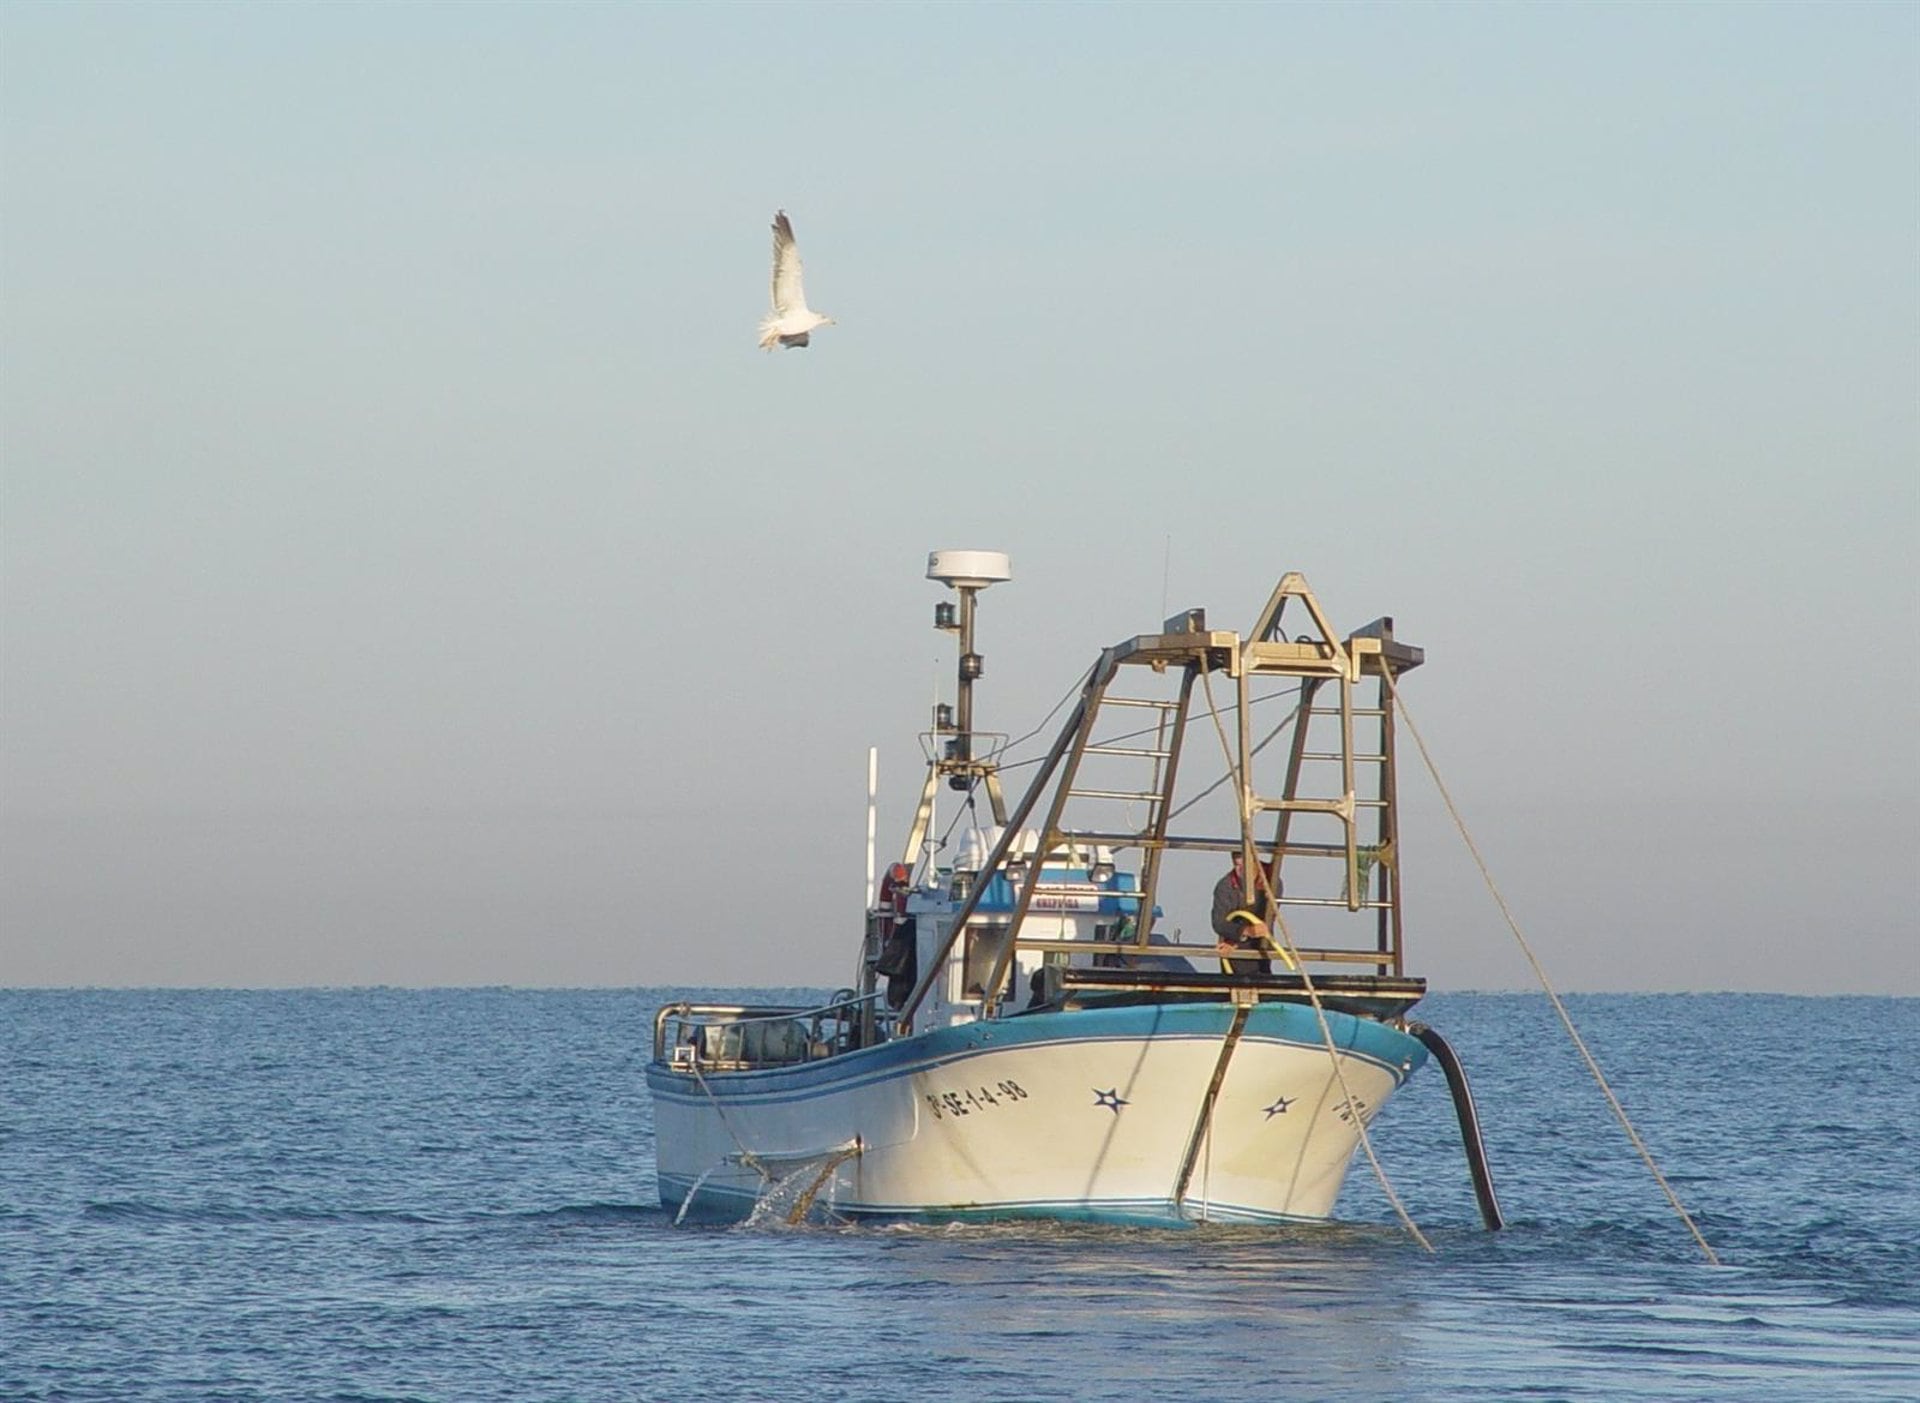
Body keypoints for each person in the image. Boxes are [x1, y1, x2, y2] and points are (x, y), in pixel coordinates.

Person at [1212, 849, 1274, 975]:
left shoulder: (1272, 880)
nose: (1239, 870)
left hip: (1262, 945)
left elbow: (1266, 915)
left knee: (1264, 980)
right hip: (1233, 947)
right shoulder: (1225, 886)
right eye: (1236, 865)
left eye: (1244, 865)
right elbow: (1219, 922)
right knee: (1237, 979)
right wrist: (1244, 932)